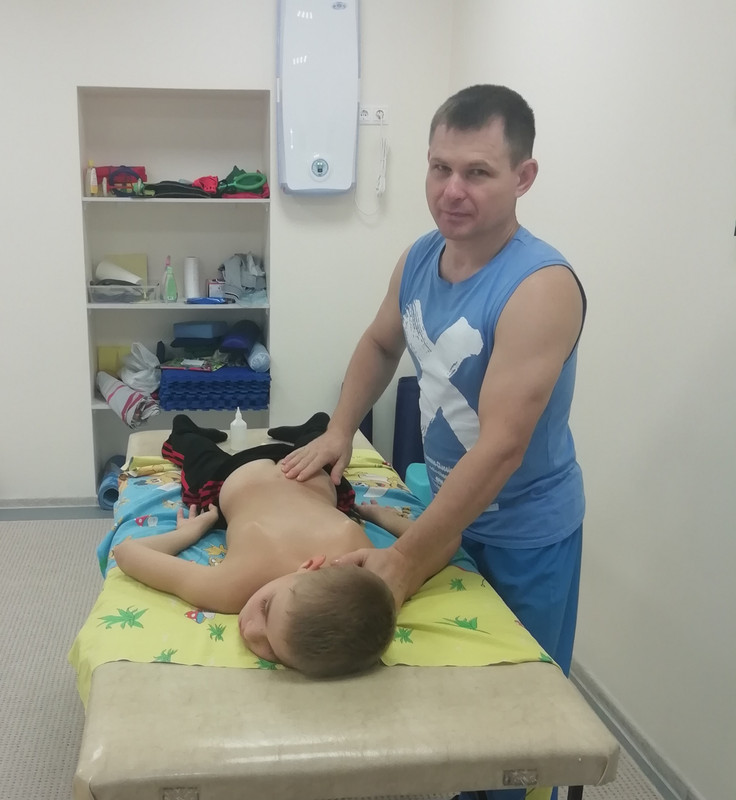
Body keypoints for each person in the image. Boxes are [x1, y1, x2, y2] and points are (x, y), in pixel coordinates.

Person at [280, 85, 585, 798]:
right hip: (446, 513)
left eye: (477, 172)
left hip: (523, 536)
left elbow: (502, 447)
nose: (452, 191)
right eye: (439, 167)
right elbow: (381, 343)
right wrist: (339, 429)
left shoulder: (540, 287)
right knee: (440, 707)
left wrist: (405, 561)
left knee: (512, 731)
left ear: (524, 177)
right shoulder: (421, 257)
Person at [113, 414, 396, 679]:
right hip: (237, 472)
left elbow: (420, 553)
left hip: (308, 464)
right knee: (196, 456)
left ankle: (316, 425)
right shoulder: (233, 586)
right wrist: (192, 531)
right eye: (265, 607)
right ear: (309, 567)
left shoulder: (368, 566)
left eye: (272, 650)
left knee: (321, 444)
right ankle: (184, 429)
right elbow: (126, 553)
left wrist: (385, 518)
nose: (249, 630)